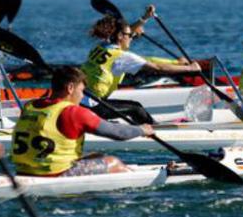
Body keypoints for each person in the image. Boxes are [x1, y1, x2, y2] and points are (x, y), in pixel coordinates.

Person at [12, 66, 155, 177]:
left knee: (97, 156)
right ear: (70, 88)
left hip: (23, 171)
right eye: (82, 91)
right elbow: (118, 133)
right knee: (113, 162)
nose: (82, 97)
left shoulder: (30, 106)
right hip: (54, 175)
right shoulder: (73, 112)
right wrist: (142, 129)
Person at [80, 6, 201, 124]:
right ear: (120, 36)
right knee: (135, 108)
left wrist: (144, 18)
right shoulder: (122, 57)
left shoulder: (101, 47)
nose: (132, 37)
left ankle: (134, 129)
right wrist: (189, 68)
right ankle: (153, 131)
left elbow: (125, 31)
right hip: (94, 105)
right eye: (130, 36)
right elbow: (158, 68)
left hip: (82, 100)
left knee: (132, 107)